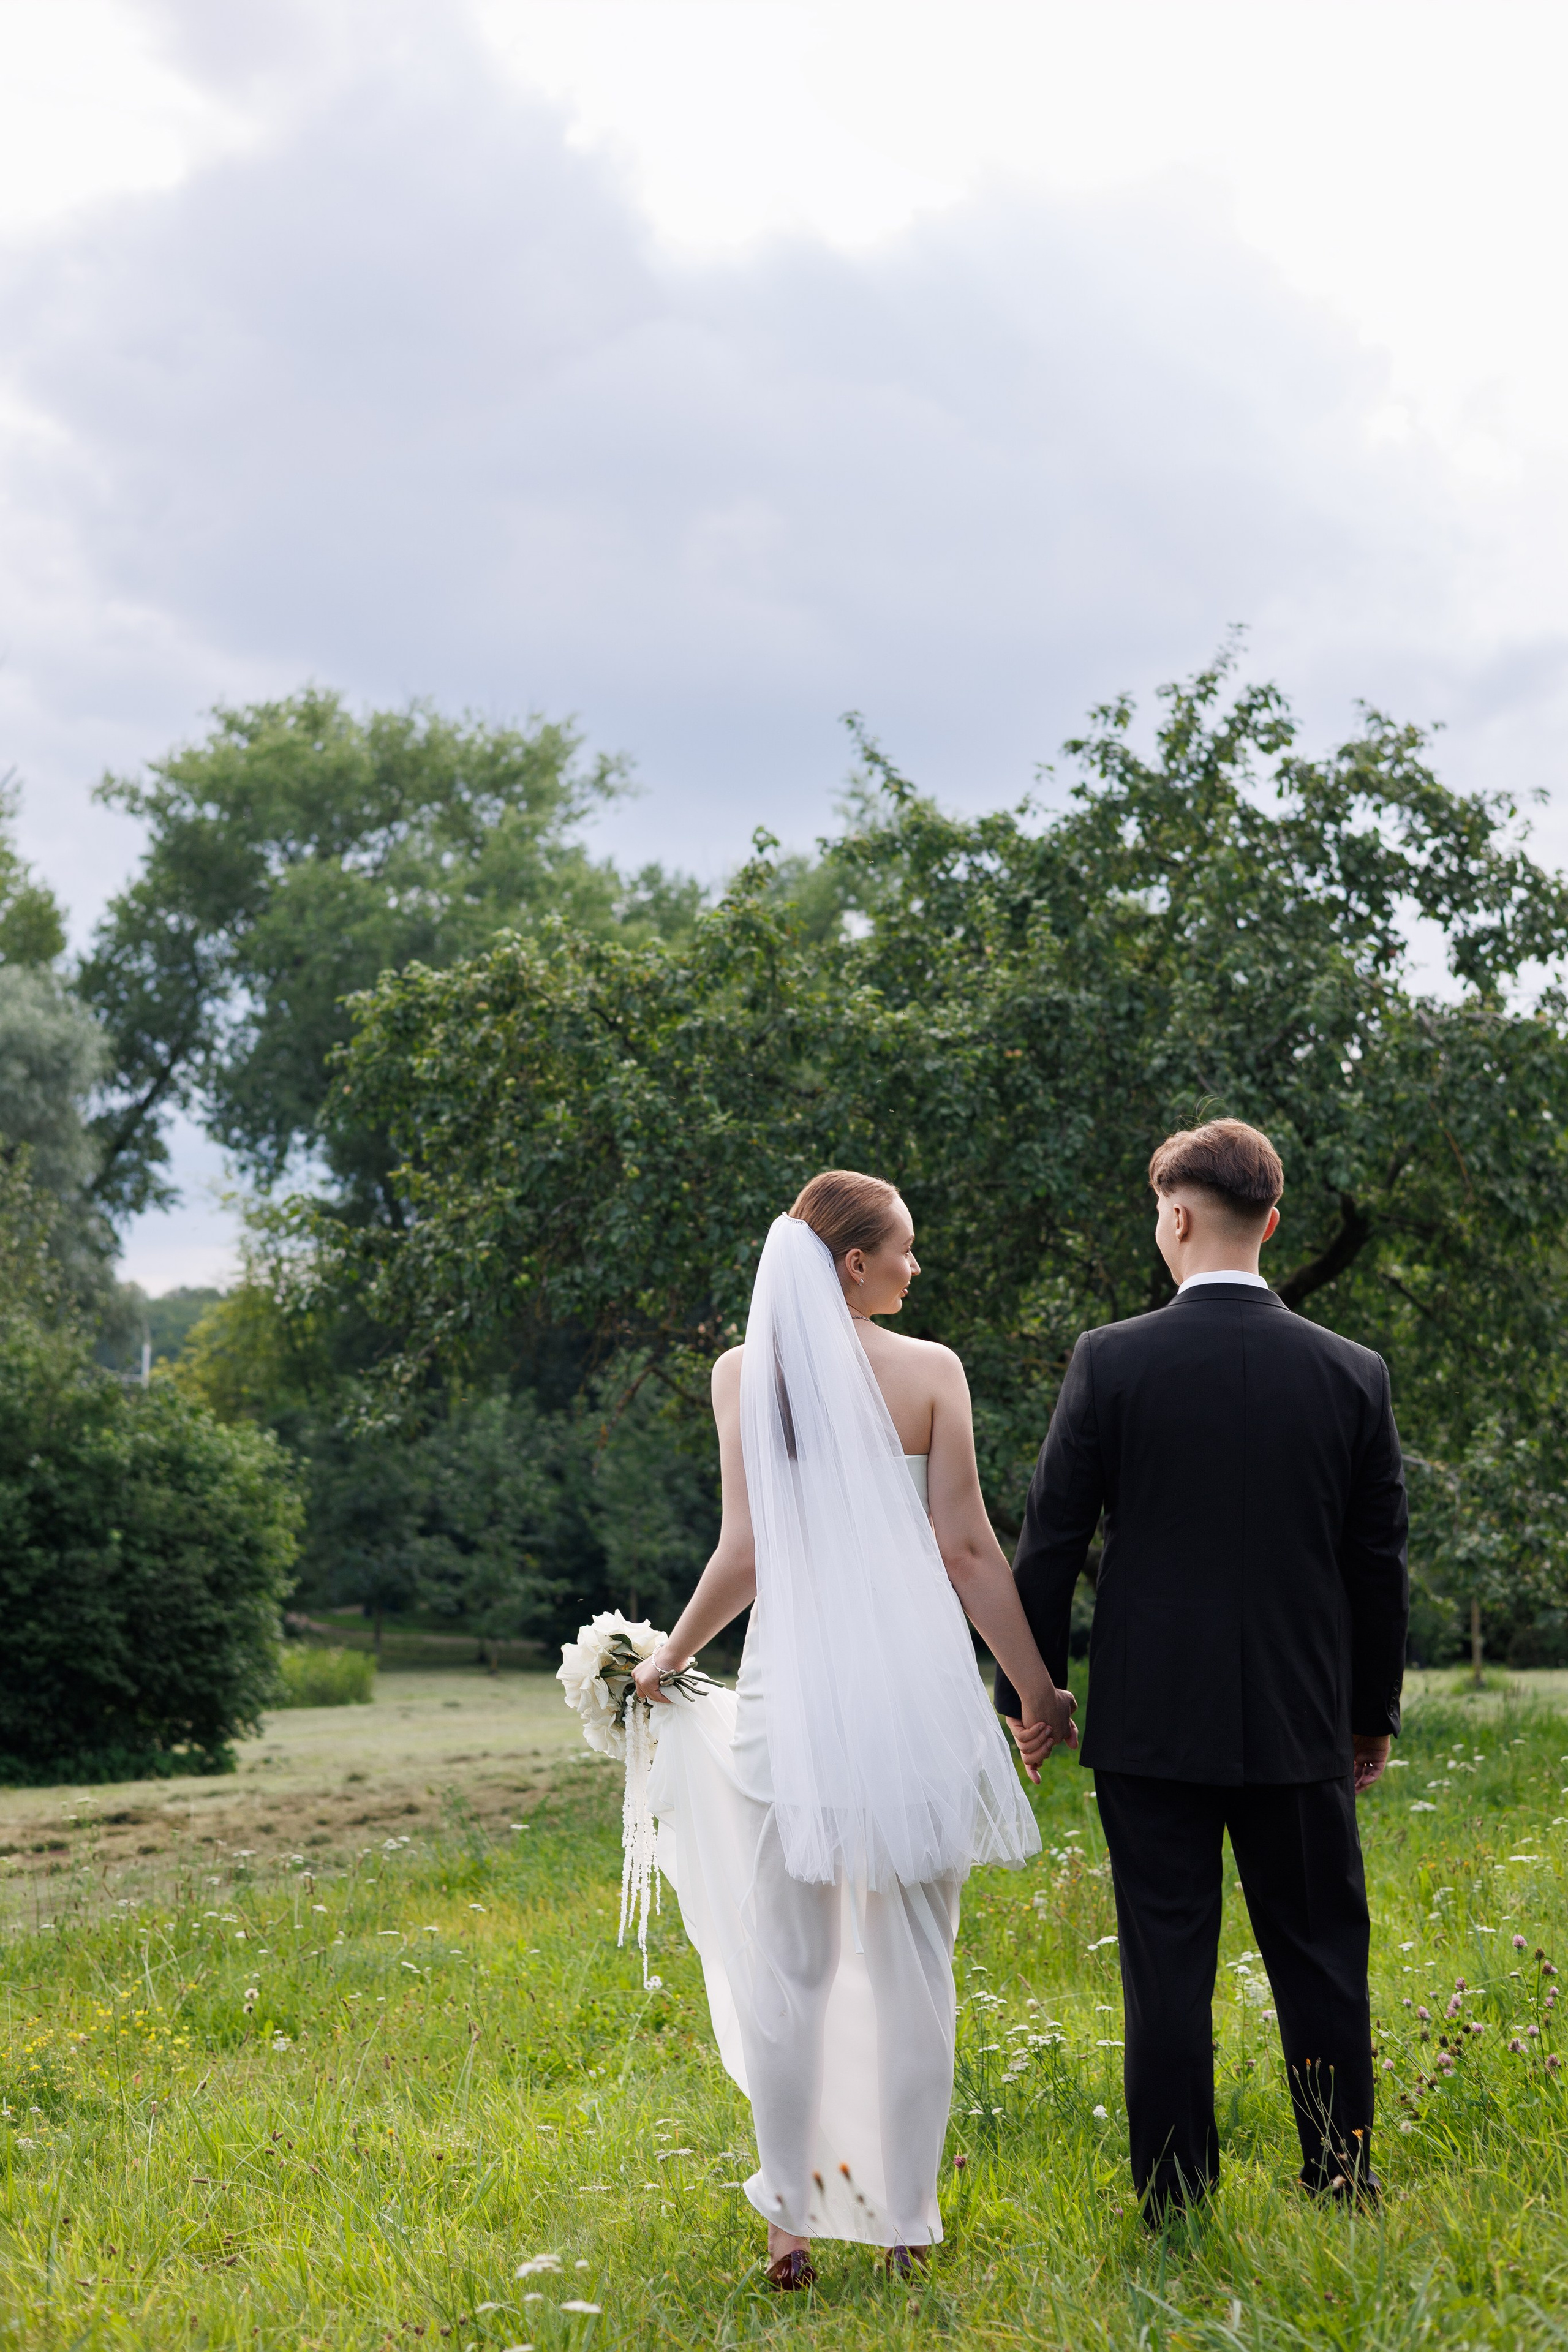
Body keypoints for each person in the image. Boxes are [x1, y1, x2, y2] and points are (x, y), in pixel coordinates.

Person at [636, 1170, 1074, 2288]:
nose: (916, 1268)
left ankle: (790, 2220)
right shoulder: (931, 1373)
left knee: (797, 1969)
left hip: (795, 1708)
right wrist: (1034, 1692)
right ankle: (904, 2225)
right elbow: (969, 1551)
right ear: (853, 1266)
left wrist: (668, 1659)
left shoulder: (743, 1376)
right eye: (905, 1251)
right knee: (918, 1971)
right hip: (918, 1703)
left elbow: (743, 1556)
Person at [993, 1118, 1409, 2219]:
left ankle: (1176, 2197)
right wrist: (1370, 1714)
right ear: (1271, 1222)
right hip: (1300, 1716)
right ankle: (1340, 2177)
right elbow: (1377, 1565)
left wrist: (1029, 1698)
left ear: (1176, 1217)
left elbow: (1050, 1543)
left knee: (1167, 1967)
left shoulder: (1110, 1359)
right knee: (1321, 1954)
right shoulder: (1353, 1372)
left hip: (1150, 1721)